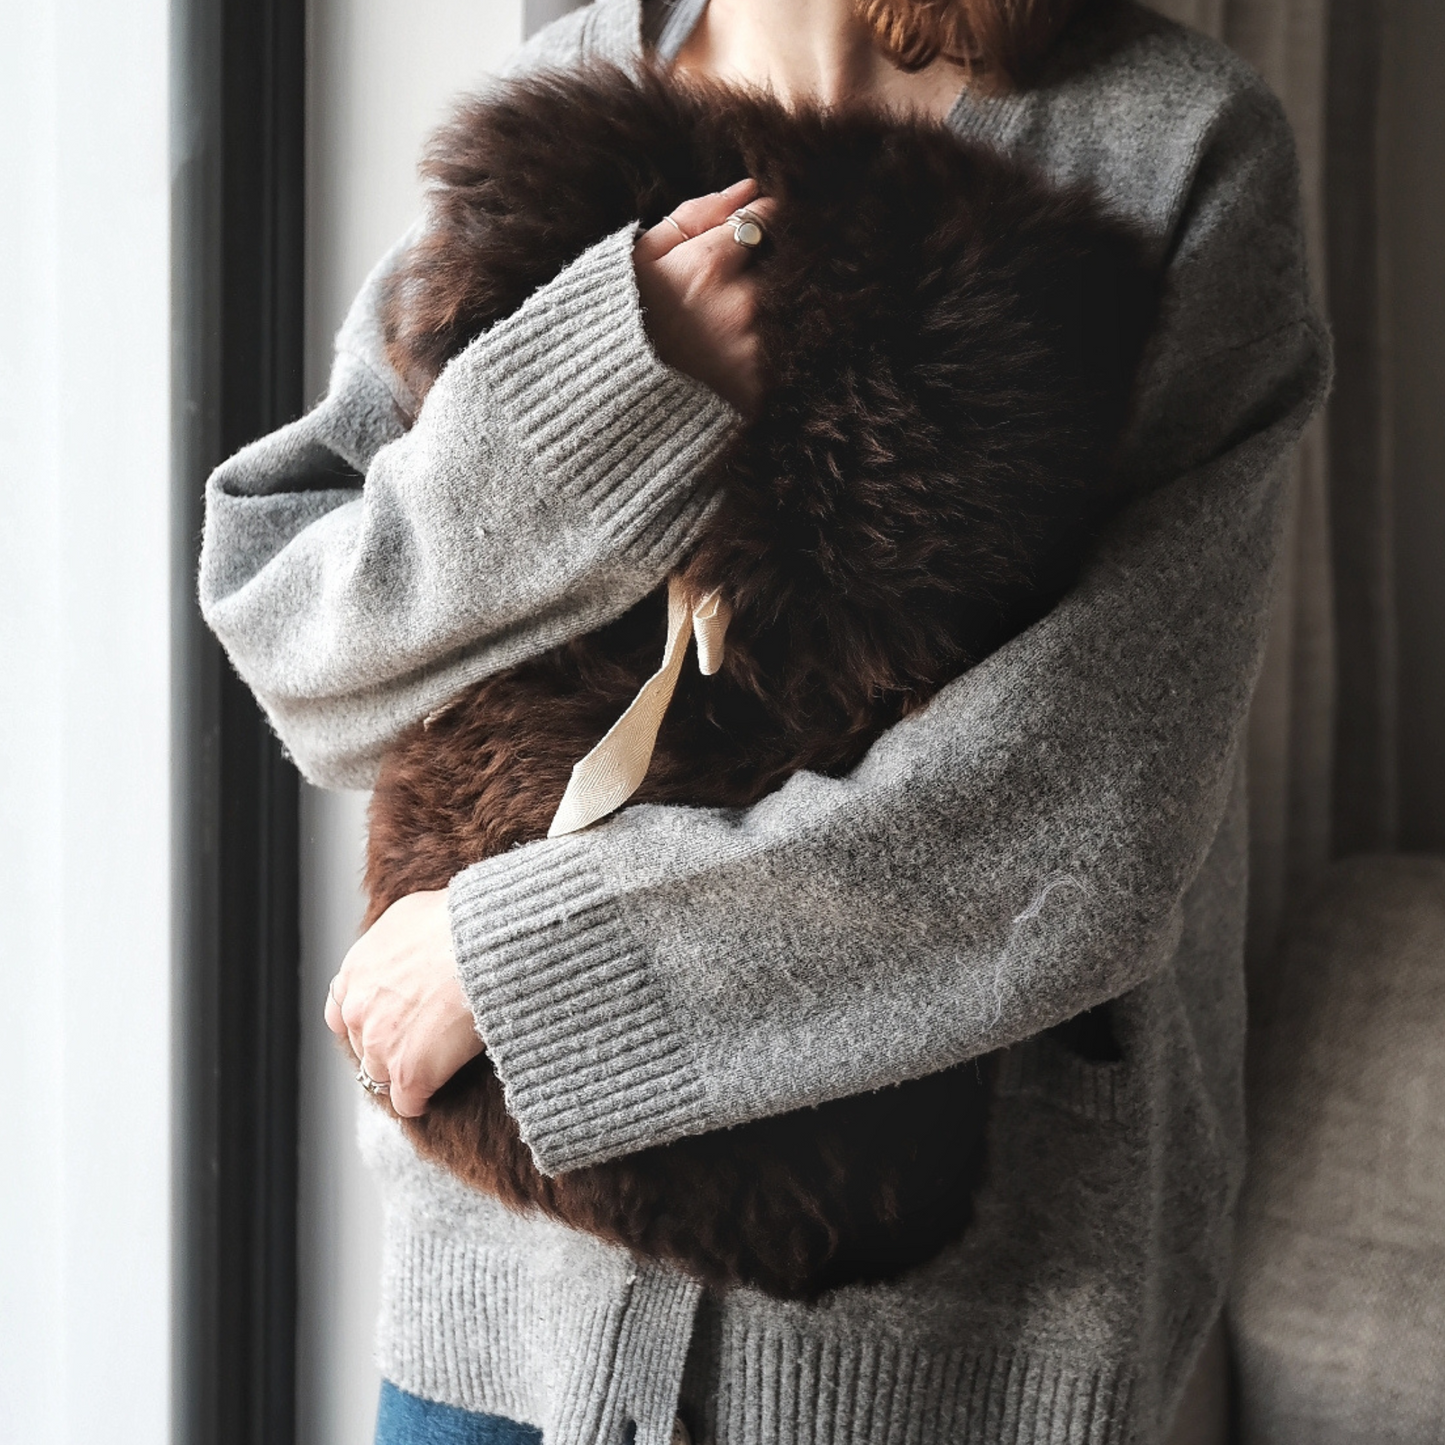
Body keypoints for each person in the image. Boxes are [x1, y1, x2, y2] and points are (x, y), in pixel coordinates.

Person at [199, 0, 1331, 1441]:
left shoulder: (1171, 145)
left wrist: (522, 965)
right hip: (499, 1328)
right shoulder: (565, 96)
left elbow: (1083, 819)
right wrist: (595, 413)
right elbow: (299, 644)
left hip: (929, 1364)